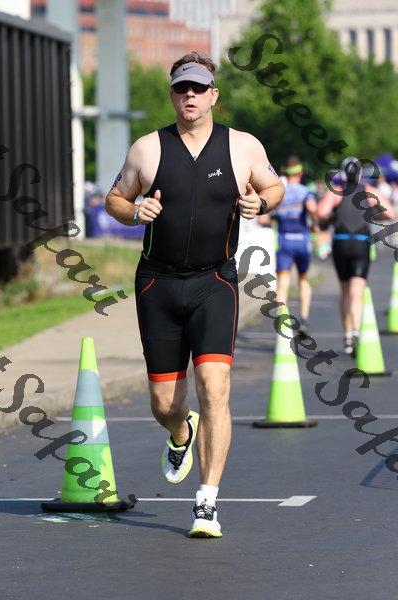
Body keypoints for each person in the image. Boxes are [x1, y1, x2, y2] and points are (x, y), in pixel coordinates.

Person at [105, 52, 284, 538]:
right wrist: (133, 211)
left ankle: (206, 501)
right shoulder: (147, 148)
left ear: (213, 96)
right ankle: (180, 432)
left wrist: (261, 202)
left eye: (199, 88)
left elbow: (275, 187)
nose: (191, 95)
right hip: (157, 284)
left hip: (215, 283)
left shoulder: (242, 146)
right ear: (172, 95)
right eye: (183, 88)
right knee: (164, 403)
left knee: (215, 388)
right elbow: (114, 199)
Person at [317, 157, 395, 355]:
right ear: (360, 174)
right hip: (361, 243)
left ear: (342, 173)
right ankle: (356, 331)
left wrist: (333, 217)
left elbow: (321, 212)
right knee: (357, 292)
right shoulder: (368, 191)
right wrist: (372, 214)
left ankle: (347, 335)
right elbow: (390, 213)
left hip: (341, 243)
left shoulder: (336, 192)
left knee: (344, 291)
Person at [259, 156, 318, 337]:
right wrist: (316, 224)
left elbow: (263, 219)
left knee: (283, 283)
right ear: (300, 173)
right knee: (303, 280)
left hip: (284, 242)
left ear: (284, 172)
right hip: (302, 241)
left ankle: (282, 320)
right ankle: (304, 319)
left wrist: (273, 218)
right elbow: (313, 209)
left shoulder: (280, 192)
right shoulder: (305, 191)